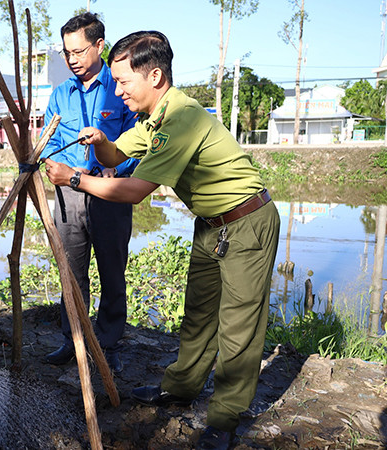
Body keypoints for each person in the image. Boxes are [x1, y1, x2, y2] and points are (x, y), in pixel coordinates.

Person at [44, 31, 280, 449]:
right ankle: (183, 386)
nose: (117, 91)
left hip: (246, 220)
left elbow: (134, 189)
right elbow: (118, 156)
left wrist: (76, 178)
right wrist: (100, 142)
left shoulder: (181, 118)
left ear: (154, 76)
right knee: (198, 314)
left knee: (238, 327)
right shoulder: (151, 118)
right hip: (211, 224)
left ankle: (224, 418)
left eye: (123, 83)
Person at [40, 12, 138, 375]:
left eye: (79, 51)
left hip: (109, 193)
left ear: (99, 45)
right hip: (68, 193)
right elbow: (48, 142)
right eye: (67, 53)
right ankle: (74, 339)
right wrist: (56, 168)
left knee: (112, 271)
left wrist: (116, 168)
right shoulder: (60, 94)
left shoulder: (122, 88)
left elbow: (136, 144)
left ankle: (108, 343)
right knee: (70, 271)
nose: (72, 59)